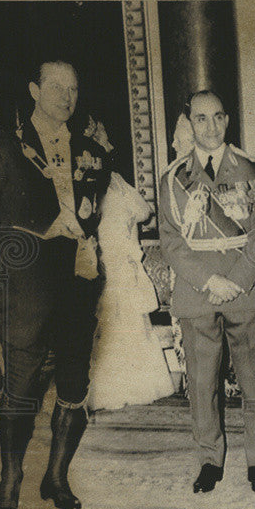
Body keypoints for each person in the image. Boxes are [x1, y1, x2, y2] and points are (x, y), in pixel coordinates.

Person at [0, 58, 112, 509]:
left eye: (73, 88)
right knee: (20, 391)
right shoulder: (2, 147)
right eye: (56, 87)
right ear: (34, 90)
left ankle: (56, 478)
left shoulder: (94, 149)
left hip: (77, 286)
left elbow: (92, 211)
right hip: (27, 288)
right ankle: (10, 480)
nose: (66, 97)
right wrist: (40, 228)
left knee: (74, 386)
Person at [159, 90, 255, 494]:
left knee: (254, 382)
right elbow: (171, 242)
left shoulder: (253, 172)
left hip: (243, 287)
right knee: (202, 384)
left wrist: (238, 281)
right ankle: (210, 459)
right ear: (189, 124)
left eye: (217, 117)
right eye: (200, 119)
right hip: (199, 290)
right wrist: (210, 282)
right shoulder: (173, 179)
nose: (209, 127)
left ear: (227, 121)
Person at [87, 172, 174, 410]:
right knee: (116, 321)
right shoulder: (114, 185)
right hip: (108, 261)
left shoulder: (112, 183)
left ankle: (119, 387)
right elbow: (142, 213)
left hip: (117, 261)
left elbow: (143, 214)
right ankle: (122, 387)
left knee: (122, 320)